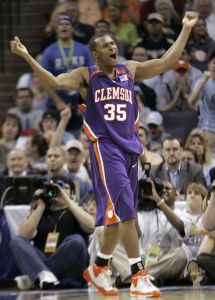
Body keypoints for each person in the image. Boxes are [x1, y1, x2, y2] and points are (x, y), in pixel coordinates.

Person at [10, 10, 198, 297]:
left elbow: (166, 62)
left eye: (114, 44)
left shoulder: (129, 70)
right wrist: (26, 56)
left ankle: (98, 269)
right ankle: (138, 275)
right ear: (95, 54)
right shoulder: (87, 76)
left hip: (130, 149)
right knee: (126, 213)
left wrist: (185, 28)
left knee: (113, 219)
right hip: (104, 148)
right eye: (107, 45)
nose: (113, 48)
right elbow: (55, 82)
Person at [10, 175, 94, 290]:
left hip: (71, 268)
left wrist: (67, 200)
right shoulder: (41, 213)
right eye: (54, 187)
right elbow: (23, 235)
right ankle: (44, 274)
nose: (58, 190)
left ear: (73, 194)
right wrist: (41, 204)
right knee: (17, 240)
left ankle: (36, 276)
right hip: (44, 257)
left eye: (65, 188)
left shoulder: (76, 211)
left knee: (77, 241)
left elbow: (90, 226)